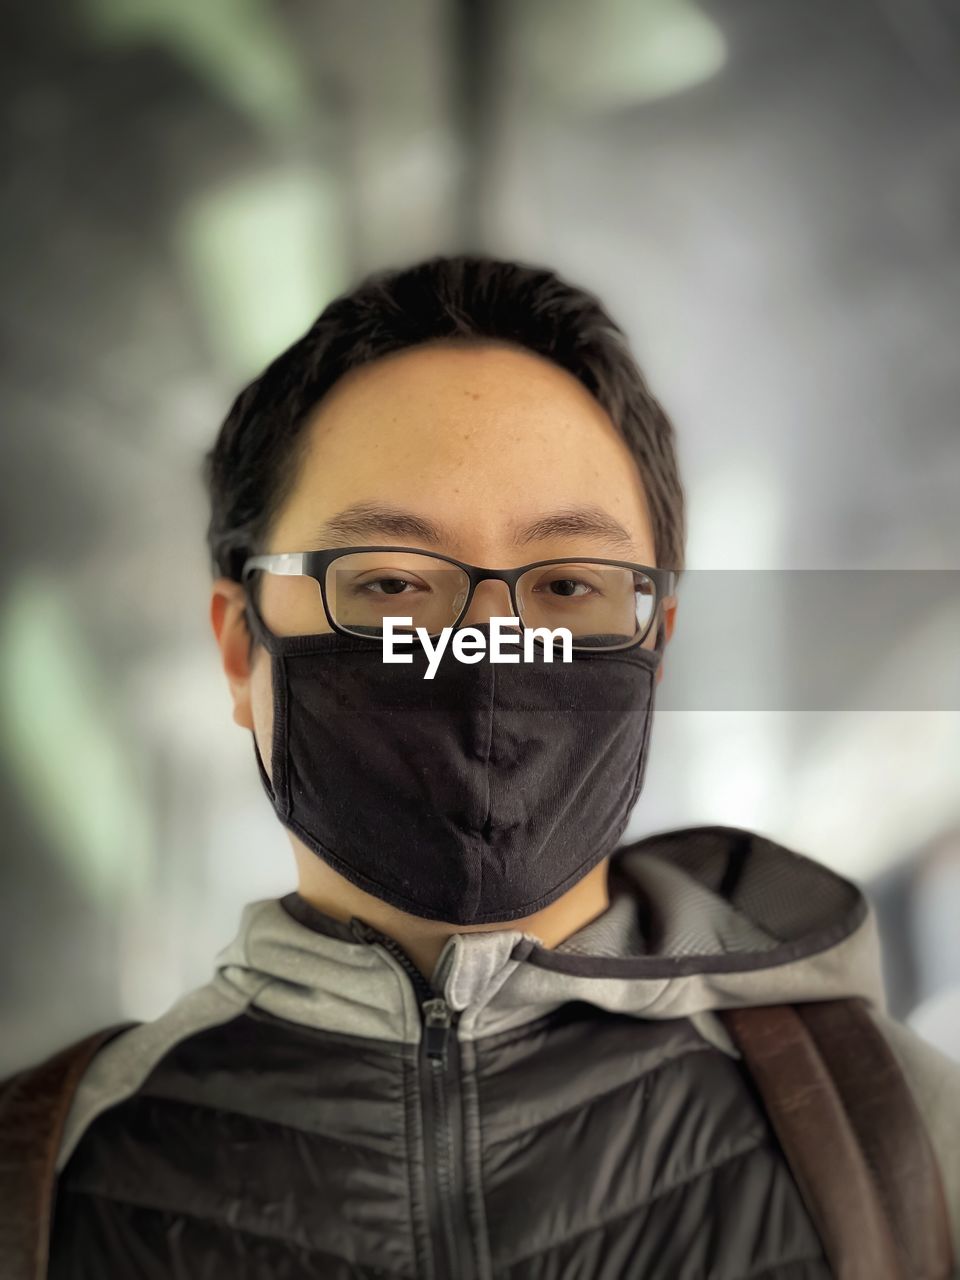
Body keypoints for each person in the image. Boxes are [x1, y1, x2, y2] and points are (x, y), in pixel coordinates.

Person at [5, 254, 959, 1278]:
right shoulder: (42, 1190)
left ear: (655, 647)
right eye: (390, 580)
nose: (489, 646)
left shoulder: (913, 1159)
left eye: (563, 584)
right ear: (242, 650)